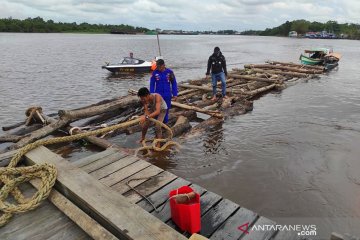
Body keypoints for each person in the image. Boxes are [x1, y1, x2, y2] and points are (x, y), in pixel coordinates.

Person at [150, 59, 178, 123]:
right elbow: (152, 84)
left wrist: (175, 94)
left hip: (167, 95)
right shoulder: (155, 73)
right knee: (157, 110)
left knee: (166, 110)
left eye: (159, 66)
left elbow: (174, 83)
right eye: (157, 66)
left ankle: (165, 124)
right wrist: (152, 94)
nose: (158, 68)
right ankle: (157, 124)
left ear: (163, 65)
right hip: (158, 95)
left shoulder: (170, 72)